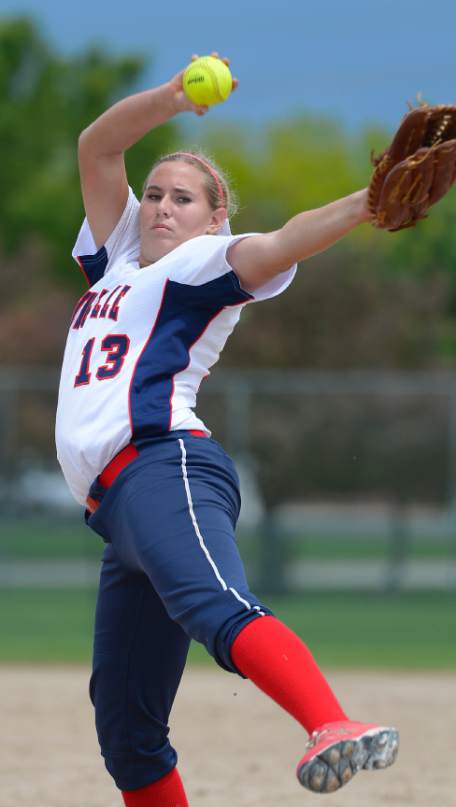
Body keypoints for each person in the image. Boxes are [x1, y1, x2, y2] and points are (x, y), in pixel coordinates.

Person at [55, 53, 399, 805]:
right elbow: (97, 145)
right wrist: (172, 98)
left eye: (182, 198)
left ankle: (332, 724)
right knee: (125, 725)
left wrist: (365, 203)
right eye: (153, 194)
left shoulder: (206, 262)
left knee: (216, 605)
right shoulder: (114, 262)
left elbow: (282, 242)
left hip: (165, 467)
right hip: (120, 512)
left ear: (214, 218)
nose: (159, 207)